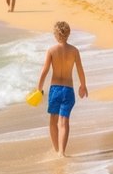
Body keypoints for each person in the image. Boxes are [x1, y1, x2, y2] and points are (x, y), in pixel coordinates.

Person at [36, 20, 88, 157]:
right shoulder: (74, 51)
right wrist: (83, 86)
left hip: (55, 90)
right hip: (68, 89)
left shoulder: (52, 50)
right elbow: (80, 70)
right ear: (68, 34)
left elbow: (44, 71)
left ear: (55, 35)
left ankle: (56, 149)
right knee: (64, 122)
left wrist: (39, 89)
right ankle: (62, 152)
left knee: (53, 121)